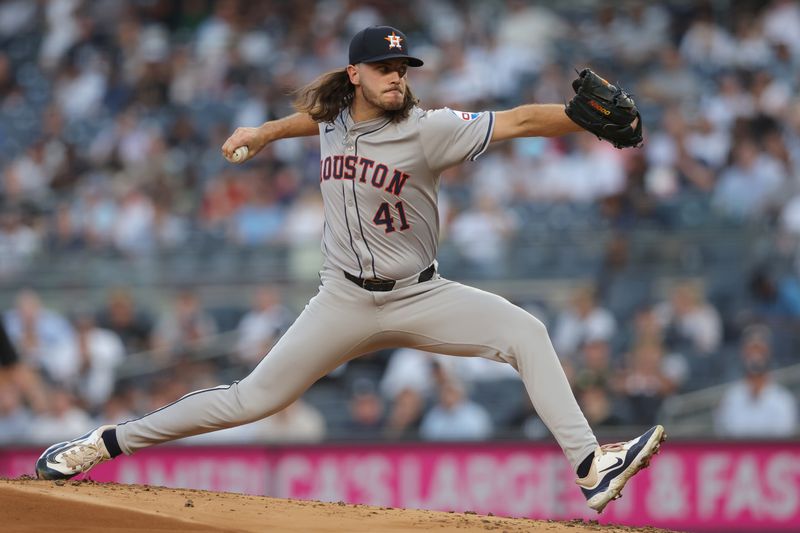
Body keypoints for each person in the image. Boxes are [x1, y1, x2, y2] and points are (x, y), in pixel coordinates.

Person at [36, 25, 664, 513]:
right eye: (385, 67)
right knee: (250, 400)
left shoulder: (428, 129)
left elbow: (520, 120)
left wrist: (583, 120)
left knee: (526, 332)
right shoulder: (336, 118)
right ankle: (103, 444)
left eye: (403, 67)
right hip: (341, 299)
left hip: (422, 294)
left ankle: (590, 465)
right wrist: (262, 130)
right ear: (354, 74)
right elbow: (310, 120)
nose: (397, 76)